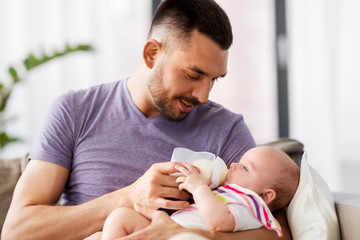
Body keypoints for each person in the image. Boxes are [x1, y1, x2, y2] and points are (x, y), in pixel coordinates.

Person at [1, 0, 292, 239]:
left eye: (214, 79)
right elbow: (17, 231)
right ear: (152, 53)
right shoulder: (75, 111)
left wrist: (189, 234)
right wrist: (128, 197)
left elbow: (278, 232)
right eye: (193, 75)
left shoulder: (227, 130)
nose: (203, 95)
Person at [99, 146, 300, 239]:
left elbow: (218, 222)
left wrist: (199, 188)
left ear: (266, 195)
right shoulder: (225, 190)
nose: (234, 165)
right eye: (239, 161)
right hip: (164, 230)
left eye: (246, 168)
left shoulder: (249, 205)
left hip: (187, 236)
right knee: (120, 217)